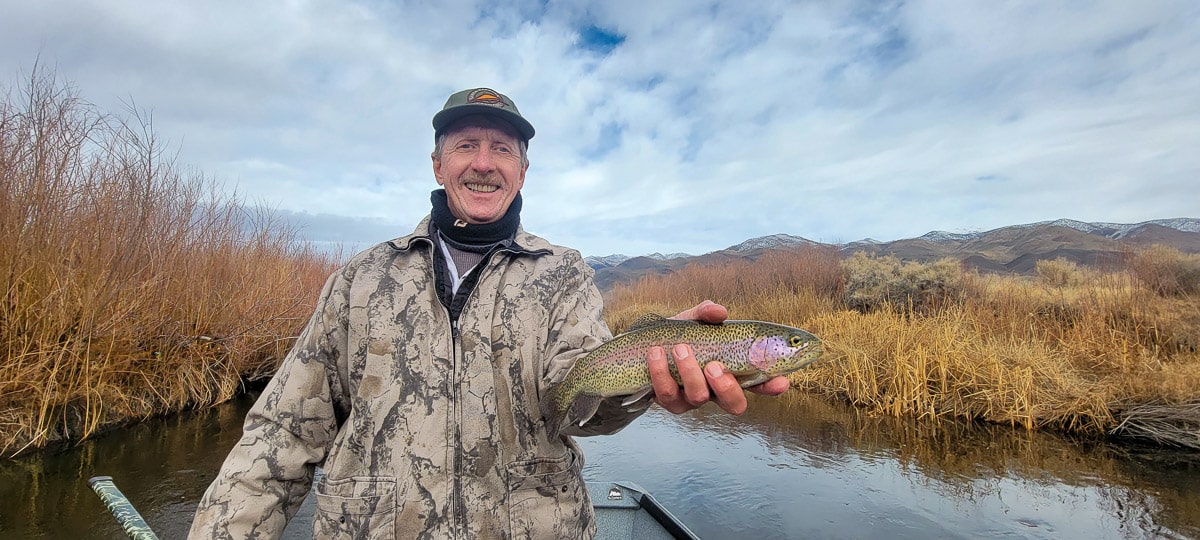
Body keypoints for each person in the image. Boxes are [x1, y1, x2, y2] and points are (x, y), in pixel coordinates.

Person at [188, 87, 789, 539]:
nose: (484, 161)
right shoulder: (362, 278)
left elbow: (577, 402)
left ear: (523, 171)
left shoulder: (563, 273)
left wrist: (651, 371)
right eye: (466, 145)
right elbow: (284, 435)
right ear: (437, 163)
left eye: (502, 148)